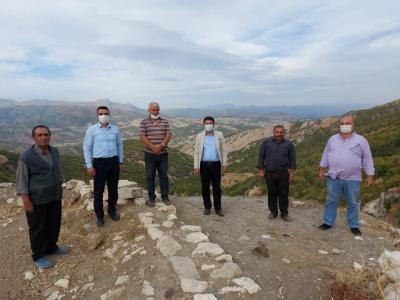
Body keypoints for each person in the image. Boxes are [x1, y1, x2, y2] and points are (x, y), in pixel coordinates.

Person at [16, 125, 69, 269]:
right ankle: (38, 255)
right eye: (39, 135)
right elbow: (21, 180)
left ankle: (51, 247)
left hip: (54, 196)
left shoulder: (55, 152)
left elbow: (57, 171)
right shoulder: (26, 156)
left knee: (54, 223)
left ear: (50, 136)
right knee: (37, 227)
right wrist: (26, 200)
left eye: (46, 134)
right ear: (34, 138)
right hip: (37, 198)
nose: (43, 137)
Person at [318, 115, 374, 236]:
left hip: (352, 178)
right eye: (342, 123)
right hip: (333, 177)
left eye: (347, 123)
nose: (345, 125)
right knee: (331, 200)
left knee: (353, 202)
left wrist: (370, 175)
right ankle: (328, 222)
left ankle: (354, 225)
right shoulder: (332, 139)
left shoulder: (361, 140)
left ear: (353, 125)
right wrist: (322, 169)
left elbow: (368, 159)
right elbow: (326, 154)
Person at [83, 106, 123, 227]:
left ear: (109, 115)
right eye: (101, 114)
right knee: (98, 191)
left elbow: (120, 146)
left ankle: (112, 211)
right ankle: (99, 216)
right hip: (99, 163)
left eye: (106, 113)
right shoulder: (92, 130)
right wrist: (89, 165)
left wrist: (120, 162)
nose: (103, 115)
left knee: (113, 189)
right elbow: (86, 147)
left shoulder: (115, 129)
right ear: (97, 116)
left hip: (113, 162)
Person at [258, 125, 296, 221]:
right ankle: (273, 212)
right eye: (277, 132)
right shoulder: (266, 143)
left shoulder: (289, 144)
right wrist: (261, 170)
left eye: (281, 132)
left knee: (284, 193)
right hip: (270, 173)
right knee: (272, 193)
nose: (279, 134)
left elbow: (292, 160)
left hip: (283, 173)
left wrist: (292, 173)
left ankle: (284, 213)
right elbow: (261, 157)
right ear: (274, 133)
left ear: (284, 133)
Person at [193, 116, 228, 216]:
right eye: (207, 123)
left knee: (217, 187)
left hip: (216, 164)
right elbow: (196, 152)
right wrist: (196, 166)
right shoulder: (199, 136)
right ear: (203, 124)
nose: (208, 125)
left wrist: (224, 164)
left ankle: (218, 208)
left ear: (214, 124)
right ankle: (207, 207)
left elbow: (224, 150)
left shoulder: (219, 135)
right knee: (205, 187)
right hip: (203, 164)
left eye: (210, 123)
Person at [139, 102, 172, 207]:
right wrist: (152, 147)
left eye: (157, 109)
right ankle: (151, 198)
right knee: (150, 176)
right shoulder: (144, 122)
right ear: (149, 110)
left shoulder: (165, 122)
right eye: (153, 110)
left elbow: (168, 135)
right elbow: (142, 136)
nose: (155, 111)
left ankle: (165, 197)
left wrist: (161, 145)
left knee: (163, 176)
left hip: (163, 154)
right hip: (149, 154)